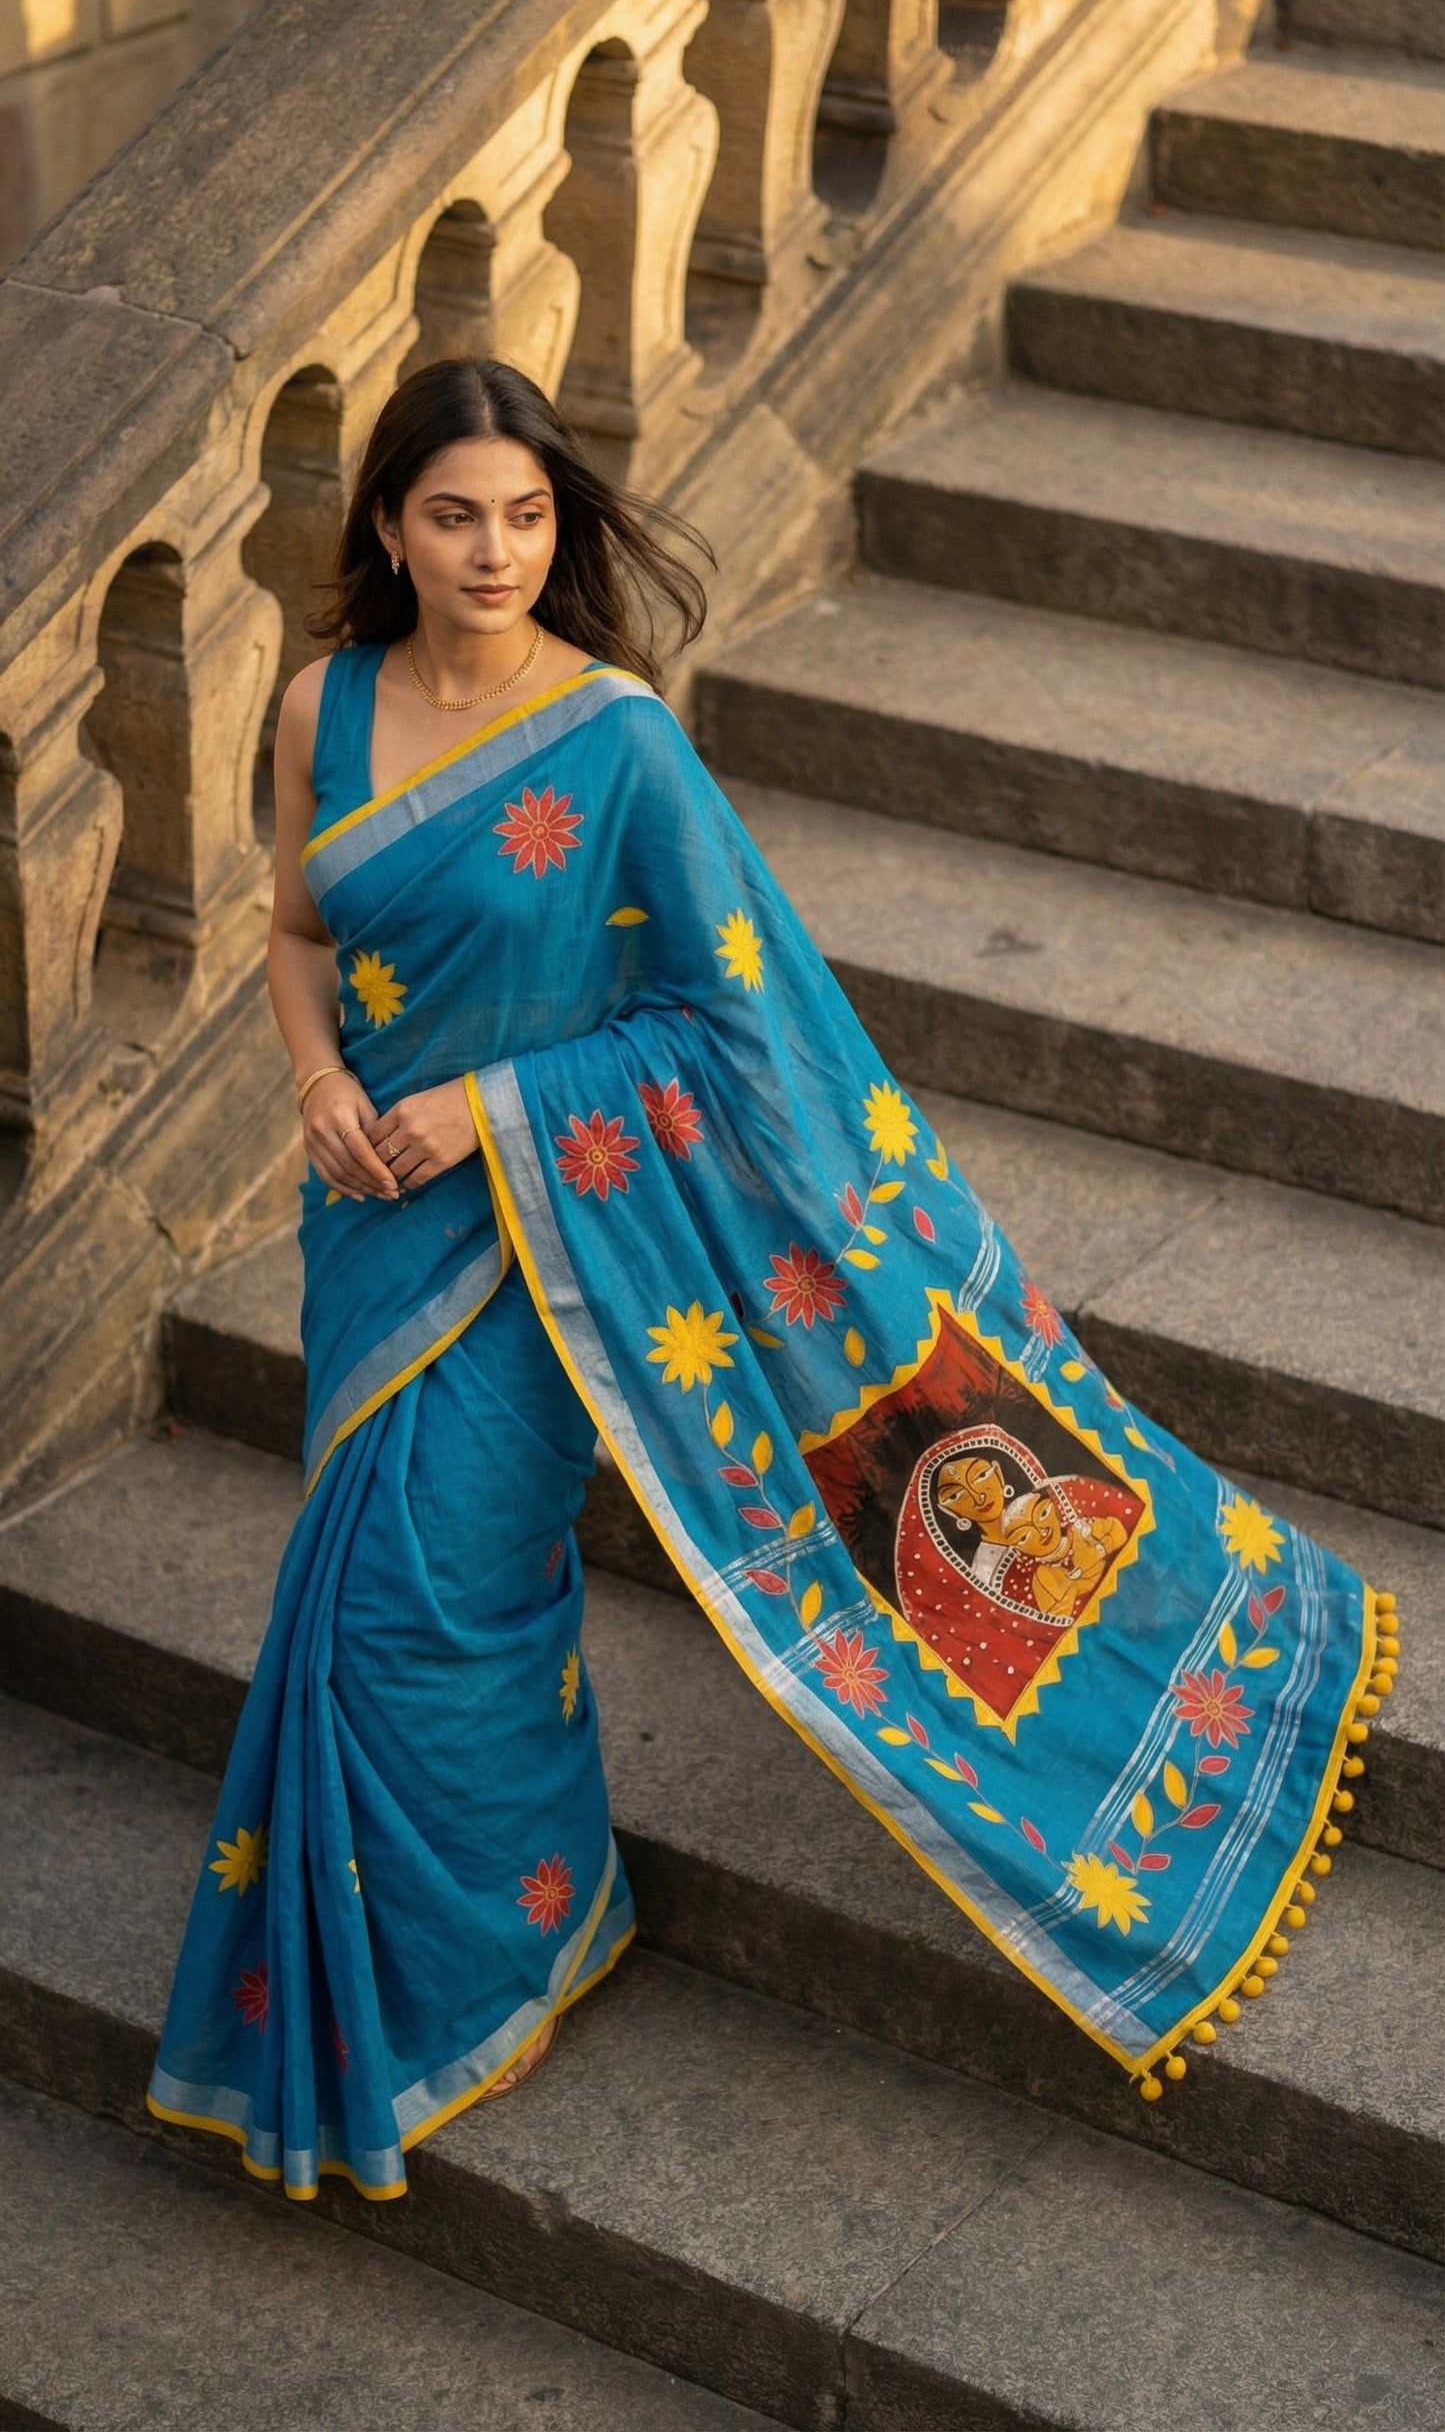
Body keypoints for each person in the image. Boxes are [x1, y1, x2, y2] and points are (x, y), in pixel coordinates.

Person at [148, 359, 1386, 2198]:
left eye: (528, 515)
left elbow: (729, 1021)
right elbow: (294, 931)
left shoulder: (616, 740)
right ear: (386, 528)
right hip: (373, 1224)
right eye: (452, 514)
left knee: (429, 1600)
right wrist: (321, 1078)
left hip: (546, 1233)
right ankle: (490, 1946)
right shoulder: (321, 705)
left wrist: (494, 1093)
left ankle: (483, 1959)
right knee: (348, 1598)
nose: (495, 551)